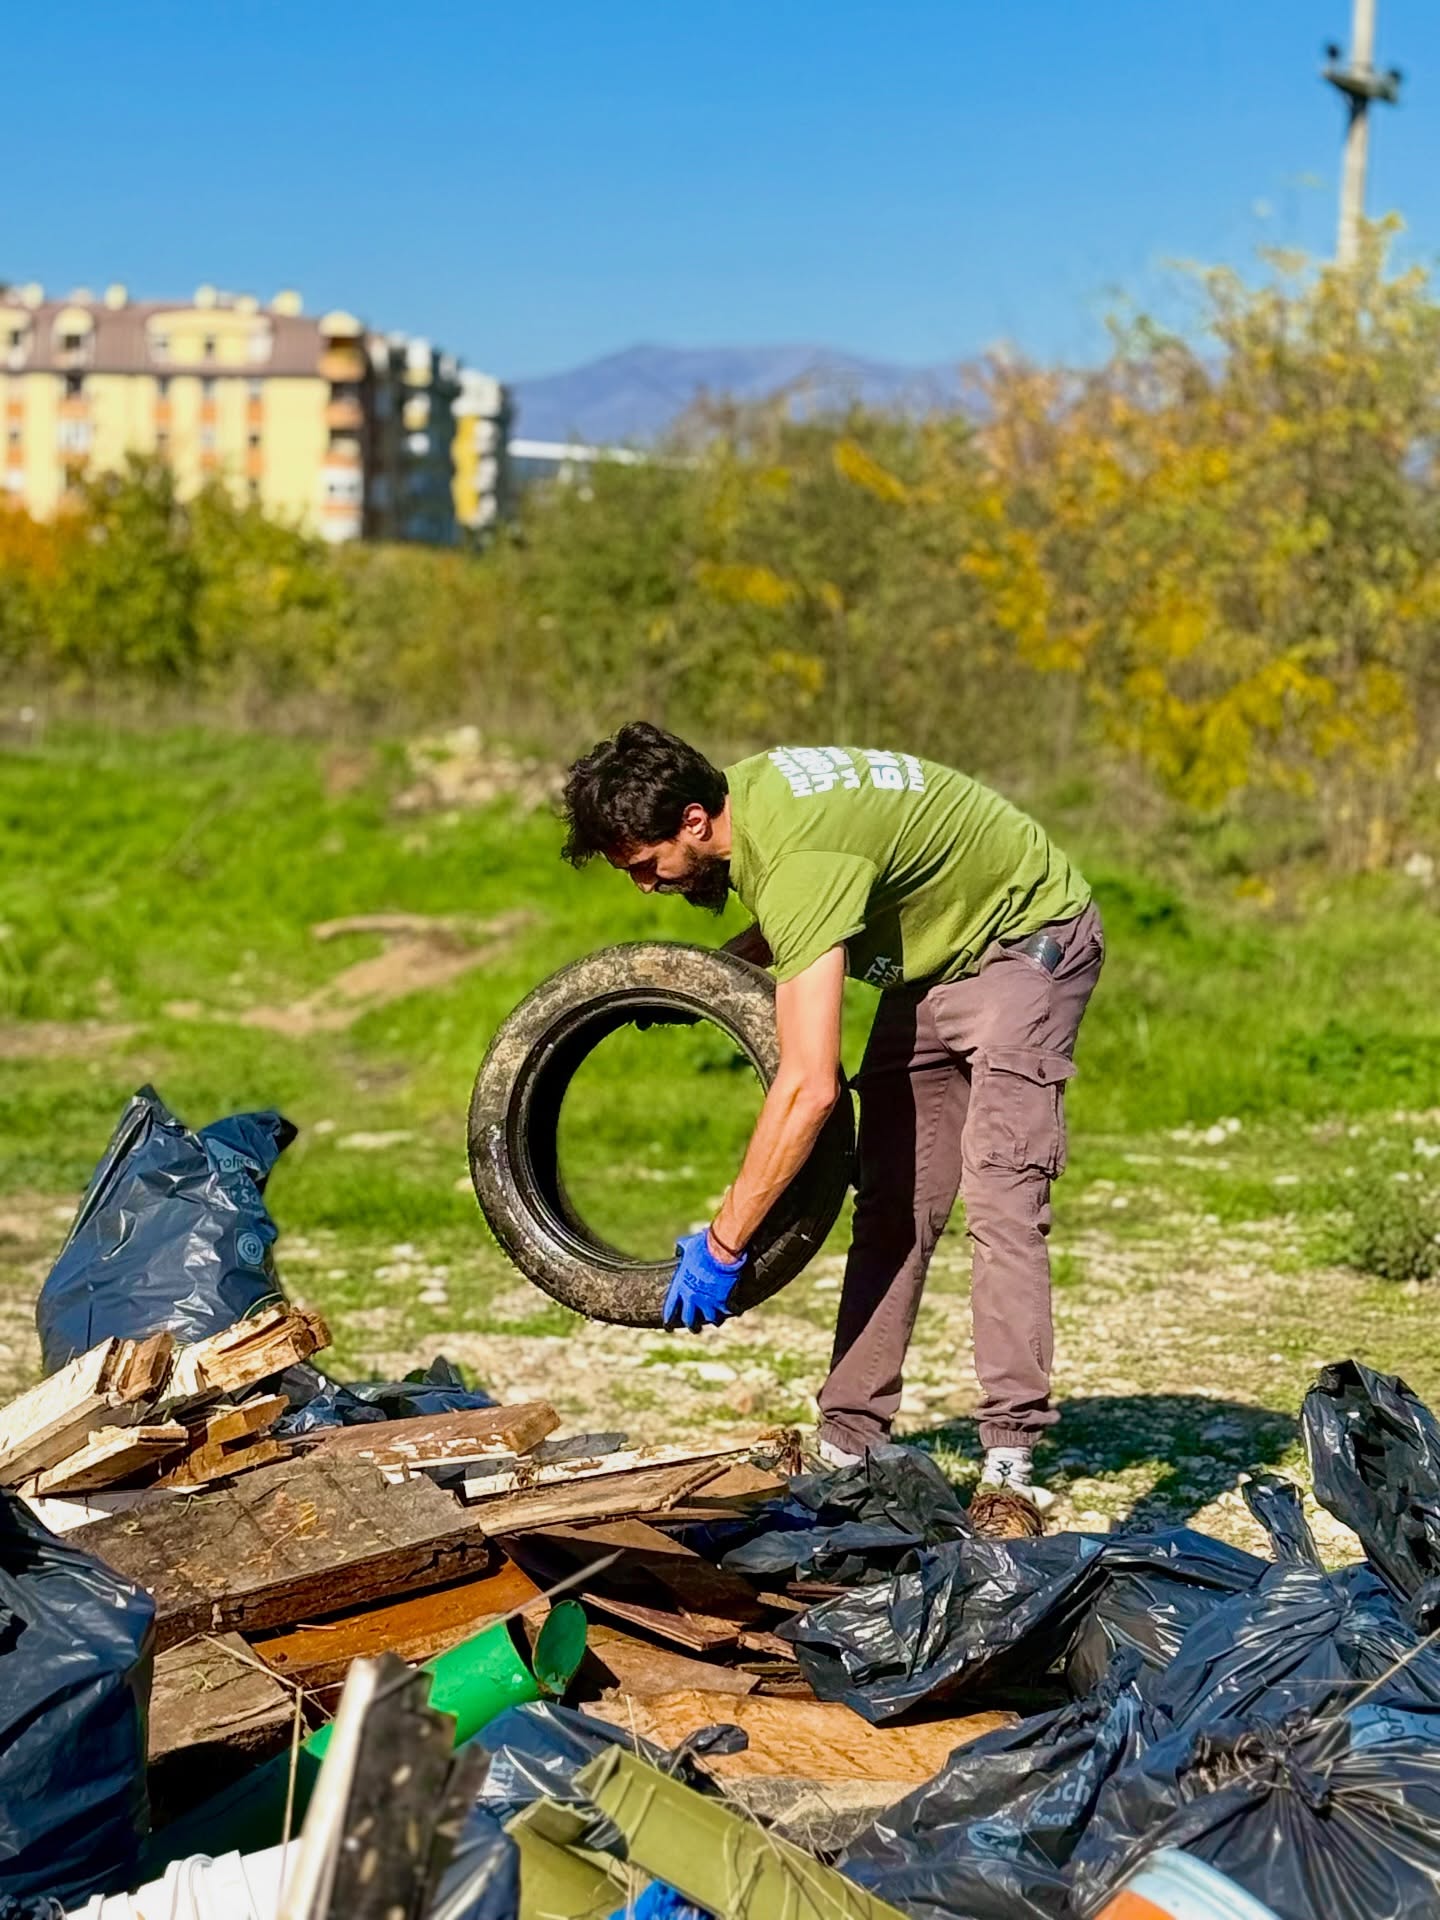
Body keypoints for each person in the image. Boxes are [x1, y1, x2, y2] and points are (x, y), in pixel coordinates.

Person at [560, 722, 1103, 1515]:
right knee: (893, 1203)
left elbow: (810, 1088)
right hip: (927, 967)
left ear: (693, 821)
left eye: (647, 866)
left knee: (1001, 1196)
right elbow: (804, 920)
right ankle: (851, 1437)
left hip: (1028, 946)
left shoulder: (798, 859)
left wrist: (723, 1243)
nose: (645, 885)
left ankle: (1010, 1461)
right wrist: (712, 978)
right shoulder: (746, 801)